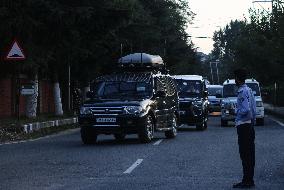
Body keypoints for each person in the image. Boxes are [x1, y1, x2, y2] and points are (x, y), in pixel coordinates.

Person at [233, 68, 256, 189]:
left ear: (237, 78)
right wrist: (253, 123)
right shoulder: (249, 90)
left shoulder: (242, 91)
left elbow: (246, 109)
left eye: (235, 77)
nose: (234, 80)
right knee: (250, 154)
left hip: (243, 126)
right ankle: (249, 180)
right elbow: (253, 109)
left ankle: (246, 181)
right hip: (249, 126)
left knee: (245, 154)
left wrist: (236, 111)